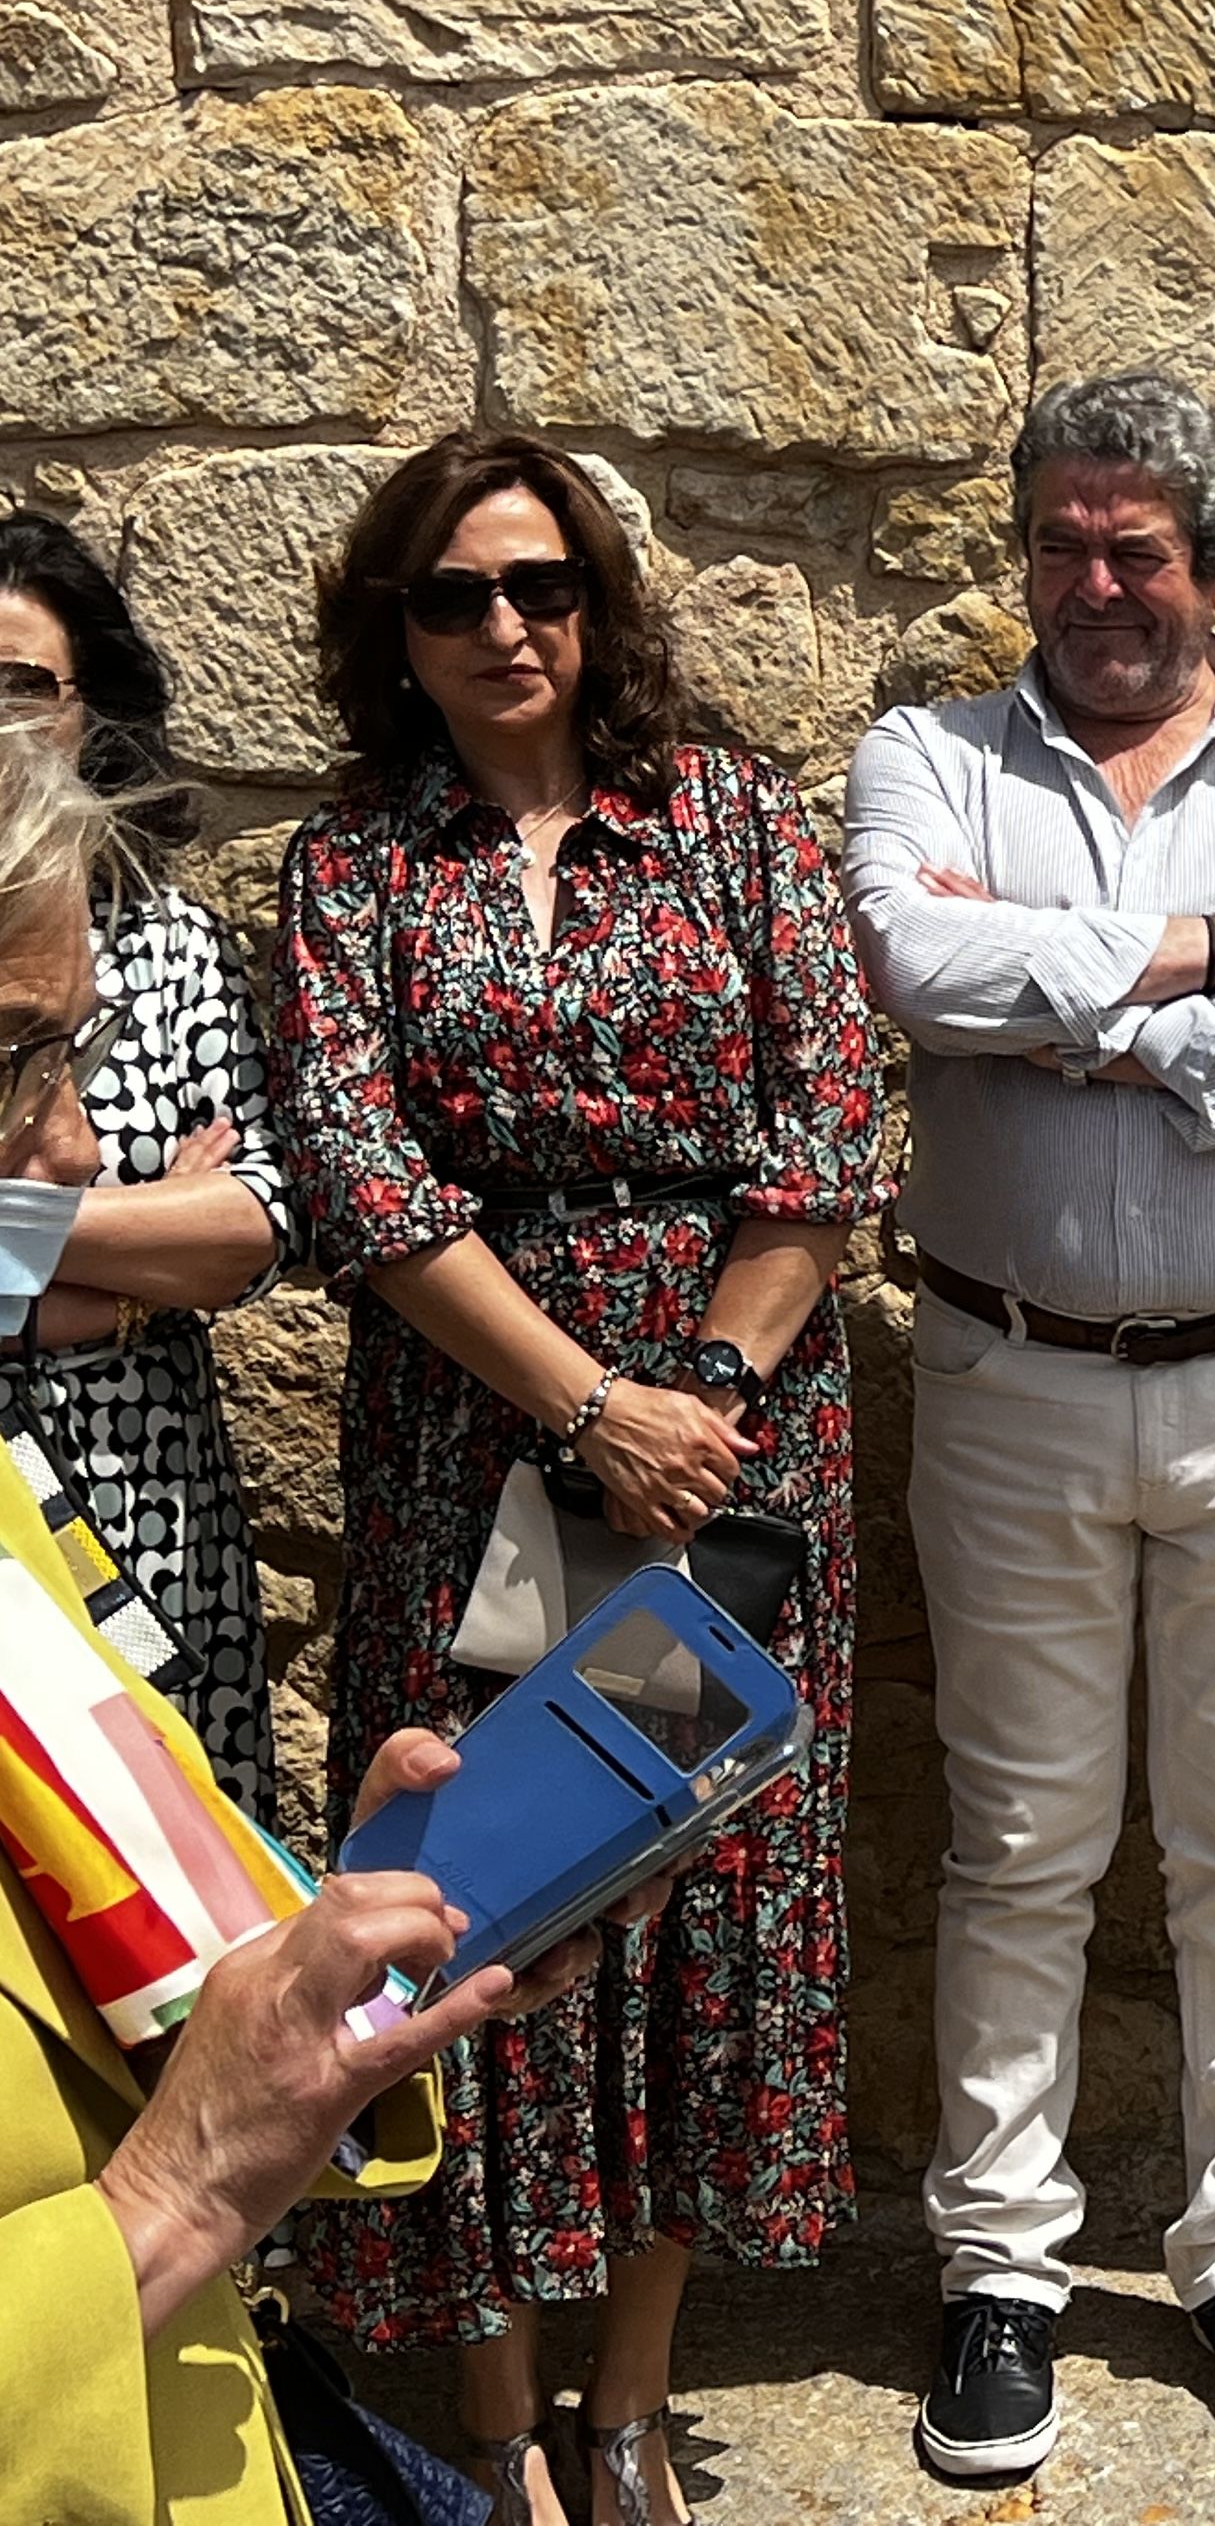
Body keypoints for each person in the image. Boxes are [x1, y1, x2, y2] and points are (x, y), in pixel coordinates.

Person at [272, 432, 891, 2526]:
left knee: (685, 1892)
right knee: (490, 1892)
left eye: (540, 586)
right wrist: (582, 1411)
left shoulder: (730, 820)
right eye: (456, 597)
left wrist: (696, 1392)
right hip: (477, 1457)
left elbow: (831, 1131)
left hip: (724, 1465)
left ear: (598, 600)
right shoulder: (354, 864)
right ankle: (498, 2423)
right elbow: (361, 1171)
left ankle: (630, 2407)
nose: (507, 628)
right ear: (401, 629)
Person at [847, 374, 1215, 2472]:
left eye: (1138, 552)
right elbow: (910, 966)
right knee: (1016, 1844)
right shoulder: (930, 753)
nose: (1096, 591)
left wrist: (1096, 1028)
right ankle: (1001, 2269)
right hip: (1009, 1370)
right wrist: (1201, 963)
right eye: (1062, 548)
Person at [5, 718, 602, 2526]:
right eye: (17, 1054)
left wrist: (303, 1952)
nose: (74, 1140)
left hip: (210, 2405)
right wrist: (181, 2184)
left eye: (79, 1046)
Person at [0, 517, 296, 1816]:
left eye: (24, 687)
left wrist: (32, 1259)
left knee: (169, 1832)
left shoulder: (167, 941)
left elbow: (250, 1226)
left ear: (88, 710)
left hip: (140, 1499)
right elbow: (182, 1236)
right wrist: (123, 1266)